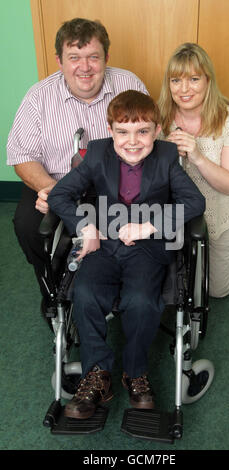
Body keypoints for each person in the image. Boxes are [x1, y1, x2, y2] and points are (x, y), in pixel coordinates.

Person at [47, 90, 205, 418]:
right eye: (122, 132)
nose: (132, 141)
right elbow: (61, 194)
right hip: (103, 244)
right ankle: (97, 374)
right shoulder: (96, 154)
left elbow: (194, 202)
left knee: (143, 301)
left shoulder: (165, 157)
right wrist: (85, 226)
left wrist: (149, 226)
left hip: (147, 248)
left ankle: (135, 372)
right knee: (87, 293)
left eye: (142, 131)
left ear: (157, 130)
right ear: (110, 130)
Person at [6, 18, 148, 303]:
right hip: (56, 182)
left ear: (106, 57)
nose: (85, 68)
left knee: (137, 225)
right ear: (59, 61)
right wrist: (52, 190)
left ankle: (115, 287)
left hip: (117, 185)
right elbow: (22, 156)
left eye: (93, 57)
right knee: (27, 224)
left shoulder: (129, 84)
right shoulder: (38, 97)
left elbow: (149, 140)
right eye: (74, 58)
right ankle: (55, 287)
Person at [158, 43, 229, 298]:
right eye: (176, 80)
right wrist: (163, 153)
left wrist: (197, 156)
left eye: (194, 79)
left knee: (217, 290)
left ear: (208, 80)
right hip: (176, 215)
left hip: (218, 215)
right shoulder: (160, 116)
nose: (184, 89)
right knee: (174, 283)